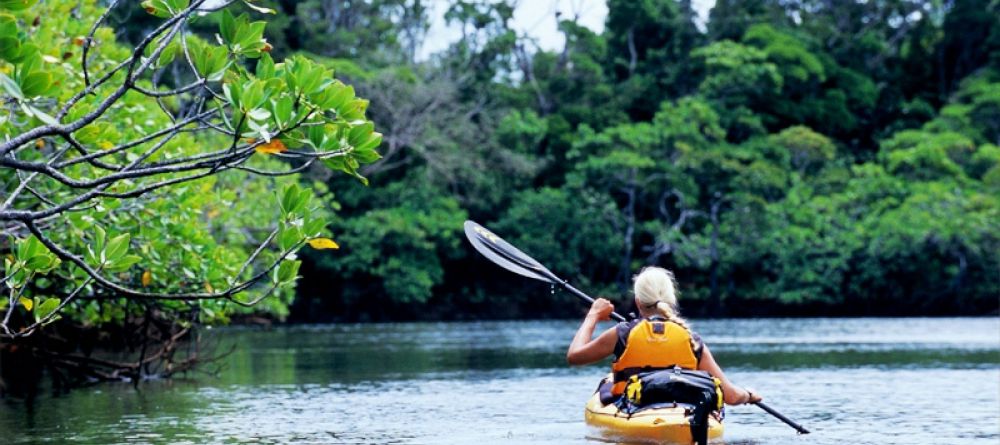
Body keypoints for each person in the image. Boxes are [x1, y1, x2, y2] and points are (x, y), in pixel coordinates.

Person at [566, 266, 762, 406]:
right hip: (683, 411)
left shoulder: (622, 333)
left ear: (638, 302)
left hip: (634, 409)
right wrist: (748, 395)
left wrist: (593, 315)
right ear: (671, 301)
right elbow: (731, 396)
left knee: (606, 385)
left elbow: (574, 357)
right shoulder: (691, 339)